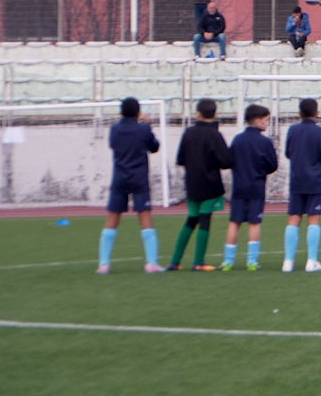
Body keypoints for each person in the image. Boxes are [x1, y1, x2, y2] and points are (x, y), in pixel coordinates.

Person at [99, 97, 163, 274]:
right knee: (144, 216)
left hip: (120, 177)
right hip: (139, 178)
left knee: (113, 217)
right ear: (138, 113)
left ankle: (103, 264)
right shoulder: (143, 129)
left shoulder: (114, 129)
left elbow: (113, 145)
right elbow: (154, 147)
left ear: (120, 112)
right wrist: (148, 127)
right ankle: (151, 263)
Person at [168, 98, 232, 271]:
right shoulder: (214, 134)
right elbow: (226, 161)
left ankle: (175, 261)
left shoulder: (188, 133)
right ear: (215, 114)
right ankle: (198, 261)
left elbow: (180, 159)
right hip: (210, 183)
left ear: (197, 113)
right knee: (205, 220)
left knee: (191, 219)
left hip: (192, 182)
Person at [221, 103, 279, 271]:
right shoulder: (264, 142)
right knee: (254, 222)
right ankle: (252, 261)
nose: (267, 123)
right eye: (266, 120)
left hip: (239, 186)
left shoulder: (237, 140)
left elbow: (229, 160)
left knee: (234, 222)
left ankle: (228, 261)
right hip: (256, 187)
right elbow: (272, 165)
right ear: (257, 120)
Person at [282, 97, 321, 273]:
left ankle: (288, 261)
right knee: (313, 218)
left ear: (299, 113)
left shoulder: (292, 130)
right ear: (317, 113)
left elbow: (288, 153)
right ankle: (311, 260)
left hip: (297, 179)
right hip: (315, 180)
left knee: (294, 218)